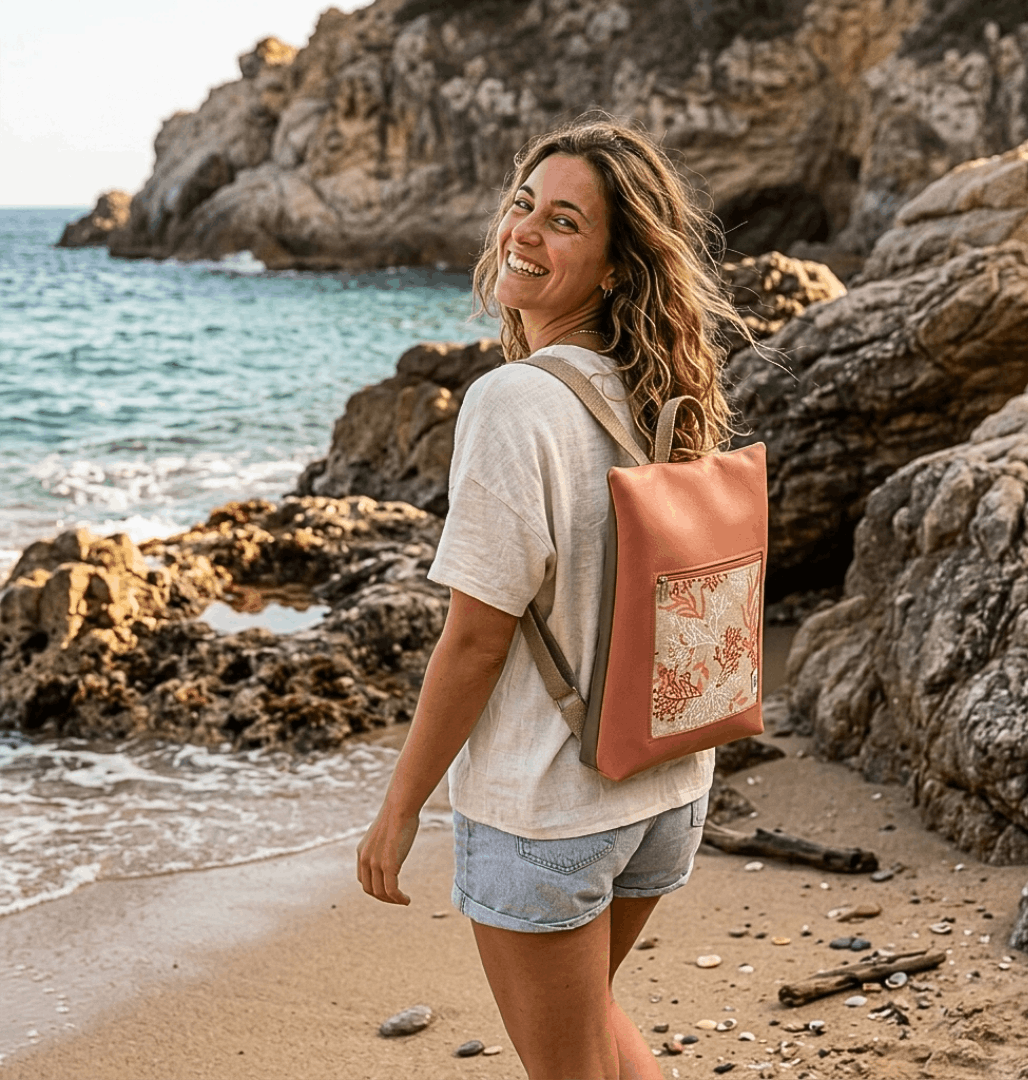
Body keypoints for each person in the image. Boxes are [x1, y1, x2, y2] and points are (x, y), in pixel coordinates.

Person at [358, 117, 748, 1080]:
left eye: (564, 220)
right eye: (523, 205)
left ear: (616, 266)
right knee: (594, 1039)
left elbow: (477, 639)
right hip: (665, 789)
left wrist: (401, 807)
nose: (524, 232)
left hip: (549, 810)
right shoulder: (662, 390)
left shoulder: (512, 403)